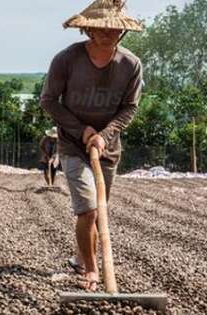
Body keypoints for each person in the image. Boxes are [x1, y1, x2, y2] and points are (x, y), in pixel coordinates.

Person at [40, 0, 143, 291]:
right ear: (87, 27)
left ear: (122, 31)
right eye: (100, 26)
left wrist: (105, 134)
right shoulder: (67, 60)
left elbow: (129, 108)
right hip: (73, 145)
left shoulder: (130, 65)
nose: (107, 31)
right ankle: (92, 270)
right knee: (88, 210)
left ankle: (80, 257)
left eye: (113, 27)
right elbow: (48, 100)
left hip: (107, 149)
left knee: (99, 210)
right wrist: (82, 130)